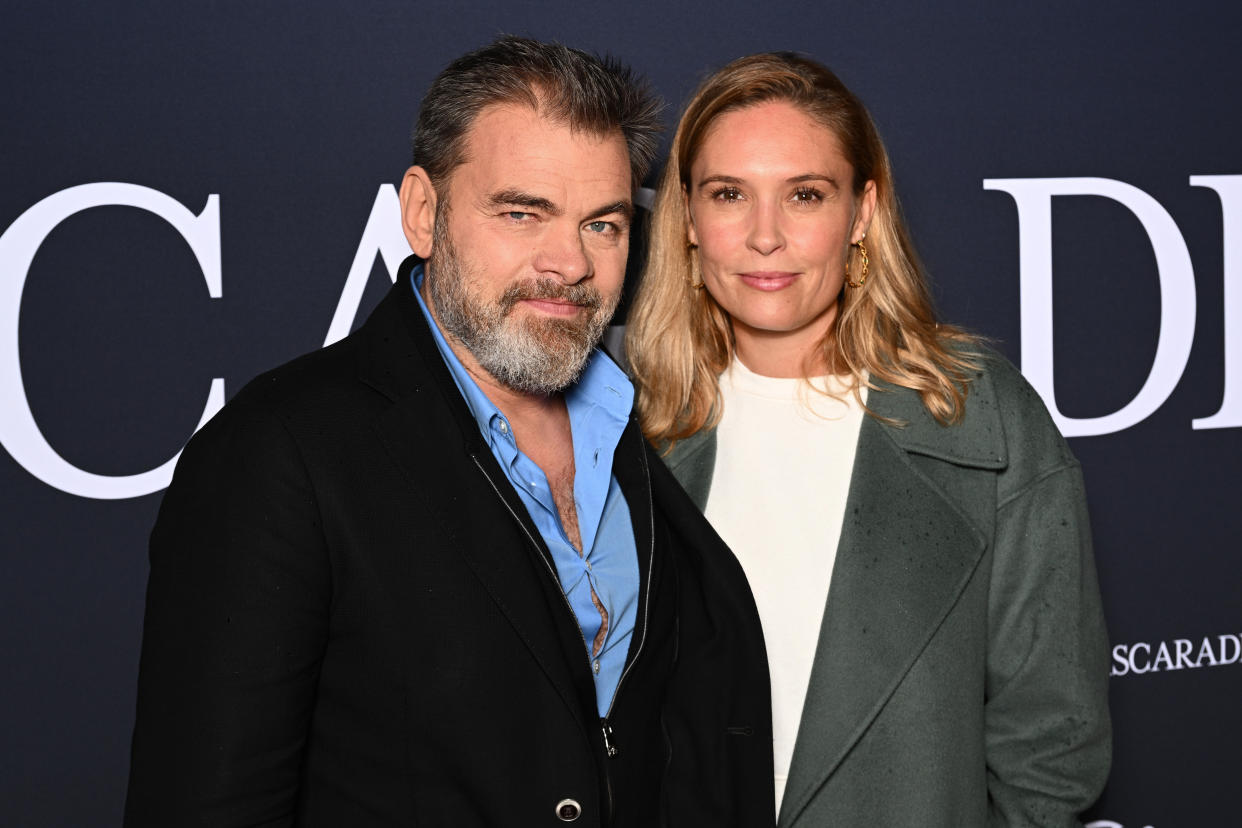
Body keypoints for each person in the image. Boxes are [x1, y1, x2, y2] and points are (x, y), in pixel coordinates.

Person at [124, 37, 774, 828]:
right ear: (423, 214)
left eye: (602, 224)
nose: (568, 262)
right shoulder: (278, 454)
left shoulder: (638, 432)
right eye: (521, 213)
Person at [626, 52, 1111, 827]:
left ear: (862, 213)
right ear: (686, 217)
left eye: (805, 195)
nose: (764, 237)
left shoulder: (977, 413)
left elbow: (1052, 741)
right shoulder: (617, 419)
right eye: (728, 195)